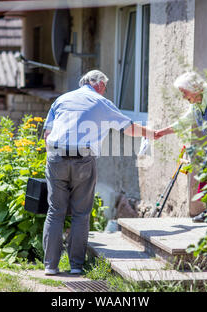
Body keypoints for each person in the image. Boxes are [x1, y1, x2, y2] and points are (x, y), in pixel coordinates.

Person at [42, 70, 155, 275]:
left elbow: (47, 133)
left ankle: (50, 266)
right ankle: (76, 266)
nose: (104, 91)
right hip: (83, 160)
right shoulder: (101, 103)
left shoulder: (62, 99)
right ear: (99, 85)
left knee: (55, 212)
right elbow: (128, 129)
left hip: (56, 157)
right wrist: (151, 133)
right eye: (105, 87)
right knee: (80, 213)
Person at [154, 71, 207, 223]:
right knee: (206, 184)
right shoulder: (197, 105)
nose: (183, 97)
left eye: (184, 92)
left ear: (195, 88)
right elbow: (183, 122)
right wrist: (162, 132)